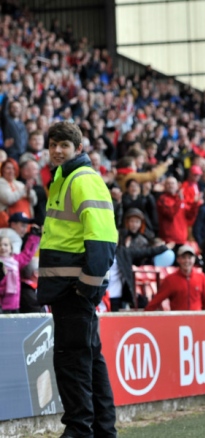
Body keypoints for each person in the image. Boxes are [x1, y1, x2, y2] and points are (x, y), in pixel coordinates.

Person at [37, 121, 118, 437]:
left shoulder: (82, 179)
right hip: (67, 288)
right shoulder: (64, 178)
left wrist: (88, 284)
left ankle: (79, 431)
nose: (57, 151)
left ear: (79, 149)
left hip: (74, 290)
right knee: (89, 360)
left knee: (73, 362)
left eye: (64, 146)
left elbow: (103, 238)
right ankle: (100, 430)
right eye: (53, 144)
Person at [145, 245, 205, 311]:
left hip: (197, 320)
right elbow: (156, 301)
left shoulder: (201, 277)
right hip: (178, 321)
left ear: (194, 259)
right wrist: (144, 317)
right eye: (183, 257)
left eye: (189, 257)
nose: (187, 261)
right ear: (178, 260)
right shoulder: (170, 280)